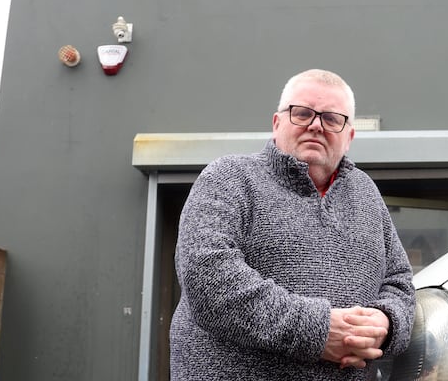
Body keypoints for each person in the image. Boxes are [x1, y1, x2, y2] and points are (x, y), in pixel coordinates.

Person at [170, 69, 416, 380]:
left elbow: (400, 282)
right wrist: (318, 331)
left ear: (349, 136)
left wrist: (386, 324)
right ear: (276, 123)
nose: (315, 125)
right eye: (301, 113)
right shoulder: (229, 177)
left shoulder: (366, 194)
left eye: (331, 118)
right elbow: (207, 278)